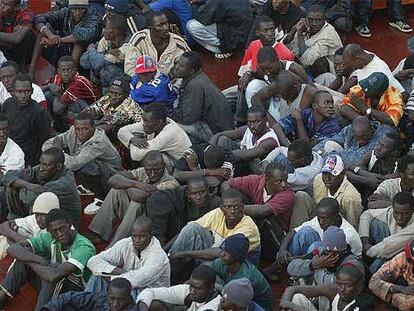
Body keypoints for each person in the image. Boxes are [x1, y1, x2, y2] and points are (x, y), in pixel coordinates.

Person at [0, 209, 96, 311]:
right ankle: (2, 299)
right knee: (26, 256)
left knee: (51, 267)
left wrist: (32, 261)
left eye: (62, 228)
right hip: (55, 286)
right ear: (49, 231)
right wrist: (38, 260)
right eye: (54, 231)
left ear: (70, 225)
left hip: (78, 296)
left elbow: (53, 276)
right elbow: (12, 249)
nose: (59, 234)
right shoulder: (50, 237)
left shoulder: (84, 246)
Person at [168, 188, 261, 282]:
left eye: (236, 207)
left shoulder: (248, 227)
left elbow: (222, 254)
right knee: (192, 227)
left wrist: (184, 253)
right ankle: (167, 271)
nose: (232, 211)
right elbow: (187, 231)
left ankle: (189, 287)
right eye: (228, 207)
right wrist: (165, 252)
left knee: (208, 266)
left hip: (236, 271)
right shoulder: (218, 213)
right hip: (217, 256)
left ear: (242, 207)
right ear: (222, 208)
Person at [87, 150, 179, 244]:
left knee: (136, 203)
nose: (152, 173)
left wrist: (127, 185)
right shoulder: (142, 171)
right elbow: (113, 180)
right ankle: (98, 232)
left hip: (154, 221)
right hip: (137, 216)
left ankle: (116, 245)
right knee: (116, 190)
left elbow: (140, 197)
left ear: (163, 165)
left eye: (157, 169)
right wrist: (136, 184)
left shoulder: (171, 183)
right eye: (149, 170)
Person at [42, 113, 122, 200]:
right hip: (86, 163)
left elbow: (74, 164)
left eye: (85, 129)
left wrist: (58, 152)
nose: (80, 133)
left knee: (84, 165)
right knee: (52, 159)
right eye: (78, 129)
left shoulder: (99, 142)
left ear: (93, 128)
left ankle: (100, 198)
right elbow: (47, 144)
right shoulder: (73, 131)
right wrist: (56, 152)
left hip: (111, 173)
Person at [86, 217, 170, 299]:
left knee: (128, 287)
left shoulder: (158, 256)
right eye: (134, 236)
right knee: (97, 275)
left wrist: (110, 277)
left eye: (142, 236)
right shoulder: (126, 243)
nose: (137, 240)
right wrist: (115, 270)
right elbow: (92, 261)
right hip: (129, 286)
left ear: (151, 235)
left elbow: (136, 280)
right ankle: (87, 305)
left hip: (153, 297)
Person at [287, 226, 364, 310]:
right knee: (296, 297)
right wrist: (312, 265)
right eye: (328, 251)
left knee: (324, 295)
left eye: (334, 253)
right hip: (321, 305)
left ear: (343, 250)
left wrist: (319, 266)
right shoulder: (322, 252)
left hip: (347, 307)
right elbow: (291, 268)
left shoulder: (351, 264)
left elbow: (330, 287)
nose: (330, 255)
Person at [3, 147, 81, 229]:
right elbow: (8, 176)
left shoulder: (64, 183)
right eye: (40, 163)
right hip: (45, 217)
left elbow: (29, 198)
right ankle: (15, 220)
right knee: (12, 186)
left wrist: (24, 183)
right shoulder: (43, 168)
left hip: (64, 225)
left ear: (58, 166)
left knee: (19, 187)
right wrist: (28, 184)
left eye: (46, 165)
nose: (41, 168)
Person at [275, 198, 362, 269]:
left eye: (325, 218)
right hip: (317, 257)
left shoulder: (346, 234)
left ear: (336, 217)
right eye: (319, 217)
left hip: (340, 266)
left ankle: (294, 268)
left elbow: (325, 257)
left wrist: (293, 260)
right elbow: (293, 232)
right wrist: (282, 250)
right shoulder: (319, 220)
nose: (321, 221)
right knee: (305, 232)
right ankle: (284, 265)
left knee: (317, 246)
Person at [170, 51, 234, 145]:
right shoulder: (197, 77)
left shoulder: (195, 85)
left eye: (181, 66)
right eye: (177, 63)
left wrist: (170, 113)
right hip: (217, 124)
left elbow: (188, 118)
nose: (176, 67)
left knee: (170, 124)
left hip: (215, 132)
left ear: (191, 71)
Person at [30, 0, 103, 74]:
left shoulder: (94, 17)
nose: (77, 12)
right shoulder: (65, 12)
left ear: (86, 9)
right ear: (70, 8)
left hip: (83, 58)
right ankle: (31, 71)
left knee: (79, 43)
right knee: (45, 29)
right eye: (74, 9)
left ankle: (72, 75)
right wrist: (50, 35)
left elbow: (82, 35)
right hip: (62, 50)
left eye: (81, 9)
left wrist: (57, 40)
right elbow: (38, 18)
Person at [146, 176, 221, 246]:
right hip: (186, 240)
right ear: (188, 194)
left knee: (191, 227)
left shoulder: (215, 203)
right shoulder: (182, 200)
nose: (198, 197)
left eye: (202, 192)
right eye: (194, 193)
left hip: (206, 241)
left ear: (207, 190)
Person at [222, 162, 294, 233]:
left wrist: (233, 207)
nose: (284, 184)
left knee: (264, 219)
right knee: (235, 197)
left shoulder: (288, 194)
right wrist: (230, 200)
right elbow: (226, 184)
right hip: (256, 225)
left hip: (277, 231)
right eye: (279, 181)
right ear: (267, 179)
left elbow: (263, 211)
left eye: (286, 180)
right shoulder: (256, 180)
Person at [118, 103, 192, 168]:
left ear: (159, 122)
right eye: (143, 120)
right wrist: (133, 139)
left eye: (146, 121)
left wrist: (133, 139)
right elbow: (121, 131)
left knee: (152, 157)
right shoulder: (154, 123)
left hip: (182, 166)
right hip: (171, 158)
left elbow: (136, 156)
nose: (144, 124)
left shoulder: (169, 133)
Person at [210, 105, 279, 174]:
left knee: (250, 159)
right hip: (242, 162)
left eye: (256, 122)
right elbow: (220, 134)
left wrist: (219, 155)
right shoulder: (247, 129)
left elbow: (246, 154)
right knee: (222, 139)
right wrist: (209, 147)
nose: (252, 126)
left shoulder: (270, 141)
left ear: (265, 120)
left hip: (257, 172)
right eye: (249, 122)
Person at [1, 74, 52, 166]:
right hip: (5, 152)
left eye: (27, 91)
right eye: (20, 92)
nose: (23, 95)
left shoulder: (39, 113)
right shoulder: (7, 104)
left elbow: (45, 142)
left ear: (32, 91)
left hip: (26, 159)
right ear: (13, 92)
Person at [211, 234, 273, 310]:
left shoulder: (245, 279)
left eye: (228, 252)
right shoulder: (222, 262)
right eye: (223, 249)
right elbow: (205, 273)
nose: (222, 254)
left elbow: (235, 304)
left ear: (237, 256)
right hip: (235, 298)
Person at [42, 56, 101, 132]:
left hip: (92, 111)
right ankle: (56, 127)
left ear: (75, 71)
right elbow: (36, 89)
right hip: (70, 111)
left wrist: (58, 92)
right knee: (47, 95)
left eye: (69, 70)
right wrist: (49, 86)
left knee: (74, 102)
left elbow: (57, 109)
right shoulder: (57, 77)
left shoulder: (79, 82)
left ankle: (74, 130)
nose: (66, 73)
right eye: (63, 70)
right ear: (58, 71)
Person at [360, 191, 414, 274]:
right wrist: (365, 241)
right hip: (389, 248)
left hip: (405, 260)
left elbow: (387, 248)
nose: (399, 217)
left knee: (383, 258)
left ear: (412, 210)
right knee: (375, 223)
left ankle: (368, 276)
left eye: (404, 214)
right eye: (396, 213)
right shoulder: (390, 212)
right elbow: (367, 214)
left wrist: (368, 250)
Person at [80, 15, 135, 90]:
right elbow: (83, 62)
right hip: (101, 81)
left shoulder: (129, 45)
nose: (104, 30)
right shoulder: (106, 40)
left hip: (124, 86)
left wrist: (91, 49)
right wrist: (104, 53)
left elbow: (97, 63)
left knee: (107, 70)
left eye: (106, 27)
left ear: (115, 32)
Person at [125, 11, 190, 76]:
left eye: (166, 23)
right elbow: (130, 68)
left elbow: (187, 69)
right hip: (141, 82)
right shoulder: (140, 39)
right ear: (150, 28)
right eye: (160, 25)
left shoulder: (179, 43)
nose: (166, 28)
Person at [279, 265, 369, 311]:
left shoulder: (360, 306)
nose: (342, 289)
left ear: (357, 287)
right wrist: (287, 303)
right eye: (339, 284)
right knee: (296, 298)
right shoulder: (334, 291)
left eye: (348, 285)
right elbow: (292, 289)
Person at [313, 116, 392, 167]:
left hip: (363, 167)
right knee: (329, 144)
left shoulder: (381, 138)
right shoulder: (350, 129)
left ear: (371, 129)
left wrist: (329, 156)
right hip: (342, 157)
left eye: (364, 137)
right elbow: (334, 139)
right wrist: (315, 151)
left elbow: (356, 159)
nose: (361, 141)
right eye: (357, 138)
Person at [0, 192, 59, 260]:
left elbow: (41, 255)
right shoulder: (35, 219)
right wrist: (15, 235)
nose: (38, 219)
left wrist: (18, 241)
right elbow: (3, 226)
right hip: (33, 247)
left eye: (43, 215)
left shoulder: (61, 230)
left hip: (47, 263)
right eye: (37, 214)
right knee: (12, 230)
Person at [186, 0, 253, 59]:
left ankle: (221, 49)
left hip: (232, 36)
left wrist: (194, 5)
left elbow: (204, 19)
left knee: (192, 26)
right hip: (243, 33)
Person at [136, 265, 221, 310]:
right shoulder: (189, 291)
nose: (192, 291)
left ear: (211, 288)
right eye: (191, 286)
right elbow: (150, 292)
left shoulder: (213, 307)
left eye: (198, 288)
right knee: (153, 304)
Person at [346, 131, 400, 203]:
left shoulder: (399, 166)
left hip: (381, 202)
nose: (378, 148)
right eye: (379, 143)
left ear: (394, 152)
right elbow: (347, 172)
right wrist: (367, 179)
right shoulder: (372, 154)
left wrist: (358, 171)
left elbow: (380, 179)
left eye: (383, 146)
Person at [313, 154, 363, 228]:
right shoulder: (319, 179)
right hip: (320, 221)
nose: (327, 178)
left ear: (342, 174)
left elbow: (352, 224)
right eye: (325, 173)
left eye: (332, 174)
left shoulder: (350, 197)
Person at [278, 90, 342, 145]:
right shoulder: (305, 114)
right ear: (314, 106)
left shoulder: (333, 126)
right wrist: (287, 146)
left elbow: (308, 147)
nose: (331, 106)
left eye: (332, 103)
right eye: (326, 103)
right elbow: (277, 126)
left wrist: (299, 121)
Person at [252, 70, 318, 121]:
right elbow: (255, 98)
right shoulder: (278, 86)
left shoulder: (309, 93)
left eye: (286, 95)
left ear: (295, 88)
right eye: (281, 95)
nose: (283, 97)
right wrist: (270, 120)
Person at [40, 277, 138, 311]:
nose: (115, 304)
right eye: (112, 298)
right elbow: (70, 297)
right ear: (107, 294)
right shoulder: (101, 299)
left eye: (121, 300)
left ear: (129, 298)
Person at [369, 239, 414, 311]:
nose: (411, 264)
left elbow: (407, 305)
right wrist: (401, 289)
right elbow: (373, 283)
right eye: (410, 261)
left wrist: (384, 291)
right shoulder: (403, 258)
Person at [0, 113, 24, 216]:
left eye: (5, 130)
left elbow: (5, 179)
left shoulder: (16, 152)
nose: (2, 134)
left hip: (7, 191)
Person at [0, 0, 35, 70]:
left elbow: (17, 38)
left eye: (6, 4)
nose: (2, 6)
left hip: (18, 52)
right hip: (3, 47)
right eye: (1, 2)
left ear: (16, 7)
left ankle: (22, 67)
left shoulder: (26, 14)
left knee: (27, 35)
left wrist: (10, 38)